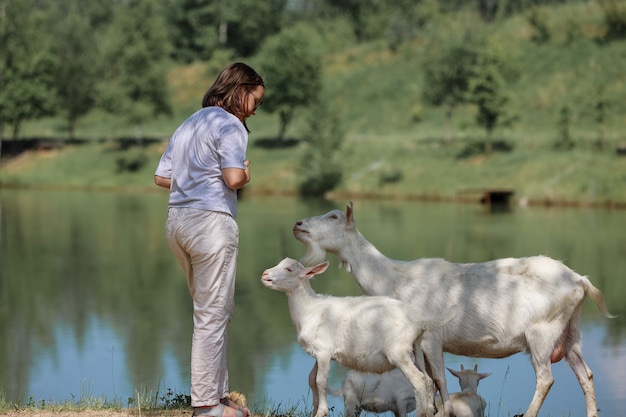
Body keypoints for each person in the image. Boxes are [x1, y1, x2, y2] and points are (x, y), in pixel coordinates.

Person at [154, 62, 264, 417]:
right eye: (255, 100)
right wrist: (246, 173)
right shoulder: (231, 125)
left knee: (212, 312)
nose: (256, 108)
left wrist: (197, 179)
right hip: (210, 224)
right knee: (212, 315)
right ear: (239, 90)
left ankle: (218, 397)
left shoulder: (189, 122)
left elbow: (162, 177)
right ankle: (206, 408)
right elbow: (232, 178)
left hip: (178, 223)